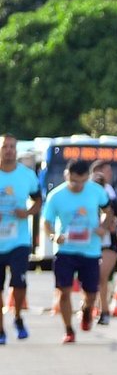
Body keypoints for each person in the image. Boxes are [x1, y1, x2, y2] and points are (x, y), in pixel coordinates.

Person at [39, 158, 112, 342]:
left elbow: (108, 211)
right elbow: (46, 222)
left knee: (91, 293)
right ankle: (69, 330)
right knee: (64, 291)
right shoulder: (56, 196)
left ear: (88, 177)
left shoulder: (96, 191)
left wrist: (103, 226)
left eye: (82, 181)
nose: (78, 186)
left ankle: (87, 311)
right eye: (74, 181)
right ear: (66, 176)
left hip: (90, 249)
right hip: (65, 250)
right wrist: (54, 236)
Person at [0, 134, 42, 343]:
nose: (9, 150)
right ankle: (0, 329)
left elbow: (38, 200)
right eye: (5, 146)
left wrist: (28, 212)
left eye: (12, 147)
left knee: (19, 282)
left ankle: (17, 316)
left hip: (19, 241)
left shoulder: (26, 175)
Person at [90, 160, 117, 325]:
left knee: (102, 276)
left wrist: (114, 225)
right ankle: (89, 306)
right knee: (91, 277)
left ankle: (104, 311)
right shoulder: (86, 199)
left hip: (109, 243)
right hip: (90, 242)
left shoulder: (111, 198)